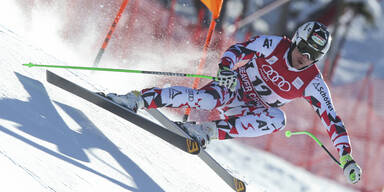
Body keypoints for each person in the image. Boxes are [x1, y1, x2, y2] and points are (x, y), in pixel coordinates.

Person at [107, 21, 361, 184]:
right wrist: (227, 68)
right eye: (303, 49)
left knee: (278, 120)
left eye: (313, 55)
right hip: (234, 86)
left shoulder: (312, 82)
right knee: (207, 99)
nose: (304, 58)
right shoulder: (274, 45)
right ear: (296, 40)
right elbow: (239, 50)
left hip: (252, 109)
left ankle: (207, 131)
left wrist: (346, 156)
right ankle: (139, 99)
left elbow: (332, 119)